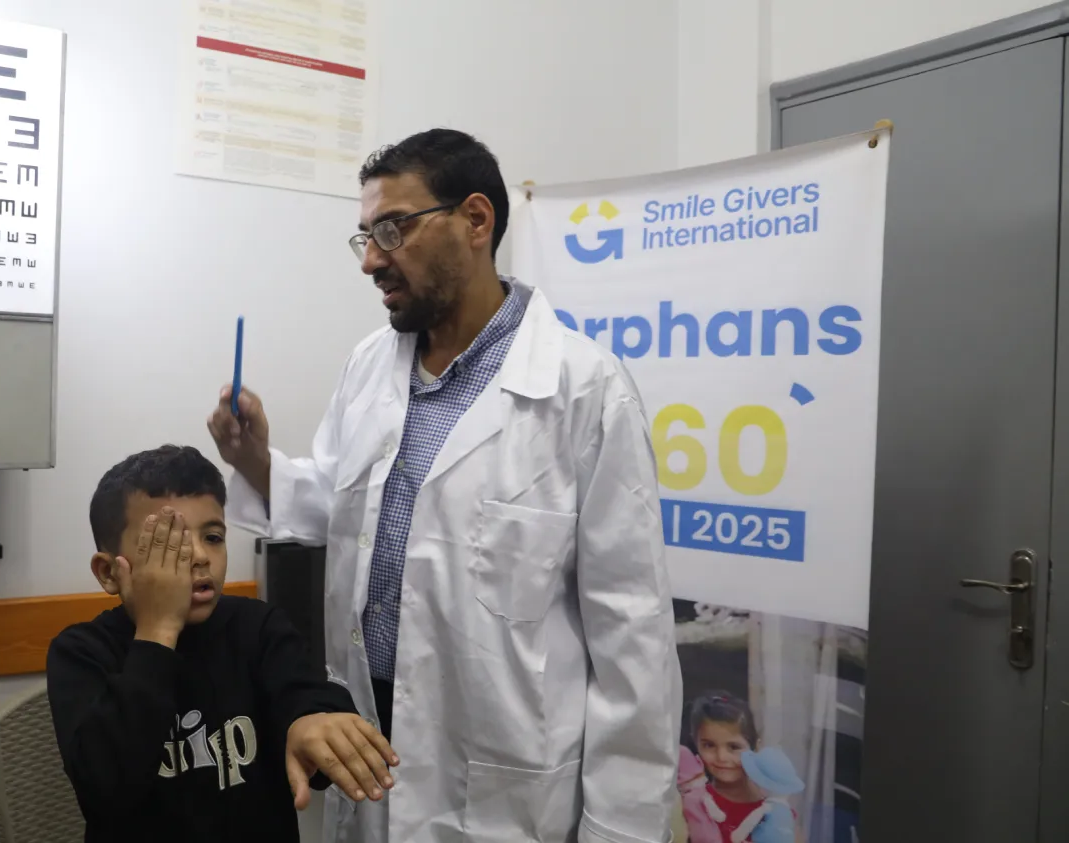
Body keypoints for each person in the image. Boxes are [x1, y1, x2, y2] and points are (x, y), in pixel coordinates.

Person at [206, 128, 681, 843]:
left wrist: (622, 828)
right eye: (364, 235)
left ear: (476, 220)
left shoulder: (585, 390)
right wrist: (255, 460)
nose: (370, 259)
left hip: (509, 785)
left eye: (391, 230)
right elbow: (339, 505)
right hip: (376, 748)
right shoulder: (371, 365)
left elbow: (633, 640)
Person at [45, 445, 400, 843]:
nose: (198, 556)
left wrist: (313, 717)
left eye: (212, 536)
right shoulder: (81, 652)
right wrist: (159, 628)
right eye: (167, 544)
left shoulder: (257, 627)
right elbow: (105, 789)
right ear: (109, 572)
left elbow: (305, 694)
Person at [687, 694, 806, 843]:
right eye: (709, 745)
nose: (721, 757)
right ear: (696, 744)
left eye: (734, 747)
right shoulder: (694, 805)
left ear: (756, 747)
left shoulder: (778, 813)